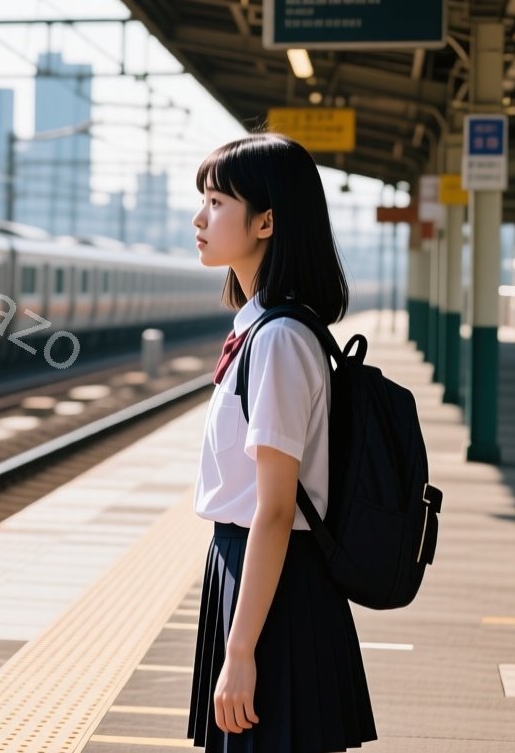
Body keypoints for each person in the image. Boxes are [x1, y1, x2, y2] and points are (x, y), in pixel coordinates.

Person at [186, 133, 376, 752]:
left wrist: (241, 650)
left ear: (266, 220)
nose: (200, 217)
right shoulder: (269, 330)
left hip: (275, 588)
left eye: (216, 202)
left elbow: (273, 507)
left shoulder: (278, 341)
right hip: (259, 578)